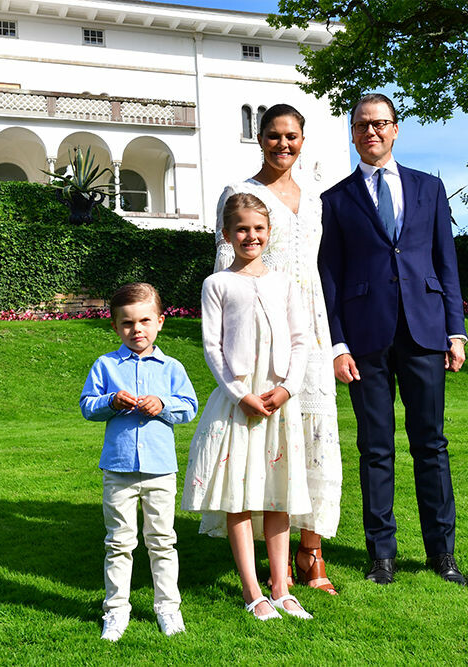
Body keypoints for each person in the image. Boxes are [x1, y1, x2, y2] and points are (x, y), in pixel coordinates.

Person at [317, 92, 466, 587]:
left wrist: (455, 331)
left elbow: (446, 263)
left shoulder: (430, 188)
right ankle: (381, 553)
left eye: (380, 123)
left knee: (432, 445)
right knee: (374, 447)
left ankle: (441, 553)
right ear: (353, 133)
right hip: (365, 339)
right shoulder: (336, 200)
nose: (371, 132)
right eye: (362, 125)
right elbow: (330, 278)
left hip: (425, 332)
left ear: (396, 129)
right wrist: (337, 345)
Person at [211, 103, 342, 595]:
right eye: (273, 136)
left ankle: (311, 554)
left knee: (316, 433)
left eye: (292, 136)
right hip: (263, 334)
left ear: (303, 140)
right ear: (259, 138)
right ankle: (276, 567)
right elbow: (226, 276)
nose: (283, 144)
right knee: (272, 442)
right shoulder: (240, 194)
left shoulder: (316, 199)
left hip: (313, 326)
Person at [182, 193, 313, 621]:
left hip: (277, 402)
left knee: (278, 496)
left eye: (258, 229)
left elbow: (300, 340)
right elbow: (212, 348)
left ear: (269, 233)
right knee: (239, 495)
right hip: (240, 403)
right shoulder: (216, 285)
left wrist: (288, 389)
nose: (250, 236)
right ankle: (252, 590)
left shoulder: (284, 283)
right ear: (227, 235)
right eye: (241, 229)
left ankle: (281, 587)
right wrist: (242, 394)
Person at [80, 282, 198, 641]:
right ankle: (116, 610)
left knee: (162, 540)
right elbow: (87, 406)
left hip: (160, 469)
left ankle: (168, 608)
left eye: (145, 321)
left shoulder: (172, 367)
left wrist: (163, 404)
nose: (137, 330)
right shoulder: (105, 365)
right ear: (115, 327)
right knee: (118, 542)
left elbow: (189, 407)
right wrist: (110, 402)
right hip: (118, 469)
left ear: (160, 322)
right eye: (127, 323)